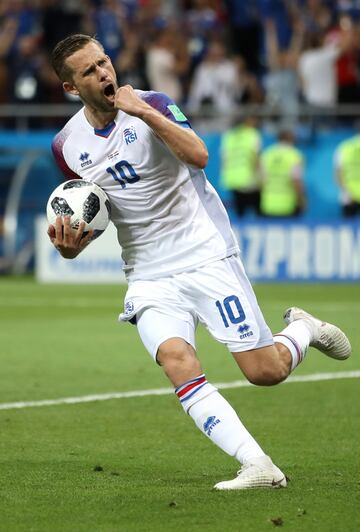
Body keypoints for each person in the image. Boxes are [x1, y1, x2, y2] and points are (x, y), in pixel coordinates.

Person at [47, 34, 351, 490]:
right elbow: (98, 211)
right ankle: (257, 464)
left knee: (264, 372)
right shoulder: (67, 146)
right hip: (147, 270)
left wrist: (144, 112)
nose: (104, 73)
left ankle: (303, 329)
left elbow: (199, 155)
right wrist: (74, 247)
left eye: (104, 61)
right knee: (176, 359)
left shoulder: (153, 103)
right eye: (89, 71)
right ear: (71, 88)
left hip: (204, 252)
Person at [220, 115, 261, 217]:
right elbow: (255, 157)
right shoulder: (252, 134)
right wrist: (260, 178)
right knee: (257, 212)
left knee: (239, 213)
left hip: (232, 178)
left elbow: (224, 158)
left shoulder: (228, 136)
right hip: (248, 178)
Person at [259, 129, 306, 218]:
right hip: (288, 205)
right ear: (291, 139)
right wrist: (301, 200)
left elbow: (262, 179)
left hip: (268, 203)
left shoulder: (267, 154)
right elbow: (296, 181)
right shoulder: (295, 155)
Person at [334, 130, 360, 217]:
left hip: (349, 197)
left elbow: (338, 173)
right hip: (349, 197)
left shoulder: (344, 147)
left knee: (349, 227)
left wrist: (347, 193)